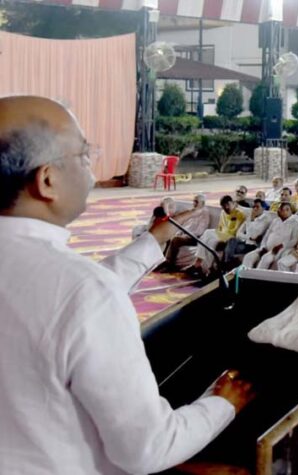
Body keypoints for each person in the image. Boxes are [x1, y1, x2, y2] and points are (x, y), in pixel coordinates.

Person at [0, 95, 253, 474]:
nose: (91, 165)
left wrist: (153, 241)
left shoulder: (71, 288)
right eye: (84, 154)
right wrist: (223, 403)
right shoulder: (82, 291)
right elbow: (148, 448)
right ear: (47, 180)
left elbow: (55, 303)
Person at [189, 195, 245, 275]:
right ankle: (203, 267)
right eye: (224, 206)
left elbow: (235, 231)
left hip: (231, 237)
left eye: (228, 204)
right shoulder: (222, 213)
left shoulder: (240, 214)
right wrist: (218, 233)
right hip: (220, 234)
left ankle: (199, 265)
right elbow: (220, 227)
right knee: (210, 240)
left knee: (208, 233)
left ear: (233, 203)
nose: (226, 207)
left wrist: (219, 233)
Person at [242, 202, 298, 270]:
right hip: (265, 248)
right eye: (282, 209)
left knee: (265, 259)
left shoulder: (295, 223)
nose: (284, 211)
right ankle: (243, 275)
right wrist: (263, 247)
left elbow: (294, 240)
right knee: (248, 256)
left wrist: (281, 246)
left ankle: (257, 276)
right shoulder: (275, 221)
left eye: (287, 209)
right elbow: (266, 236)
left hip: (278, 250)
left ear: (291, 211)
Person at [163, 193, 211, 270]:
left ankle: (170, 265)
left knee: (176, 240)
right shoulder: (193, 211)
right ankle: (162, 261)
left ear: (202, 203)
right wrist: (179, 233)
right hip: (187, 235)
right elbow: (186, 225)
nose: (194, 203)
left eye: (196, 202)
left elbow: (200, 231)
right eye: (194, 201)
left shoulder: (204, 213)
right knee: (169, 236)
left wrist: (186, 235)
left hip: (195, 238)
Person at [223, 198, 273, 266]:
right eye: (254, 207)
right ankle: (228, 264)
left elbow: (254, 235)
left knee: (228, 248)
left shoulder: (265, 220)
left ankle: (226, 265)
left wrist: (252, 220)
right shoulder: (249, 217)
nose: (255, 209)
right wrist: (249, 237)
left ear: (263, 208)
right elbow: (238, 234)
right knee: (231, 240)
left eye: (257, 207)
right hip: (244, 242)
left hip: (252, 246)